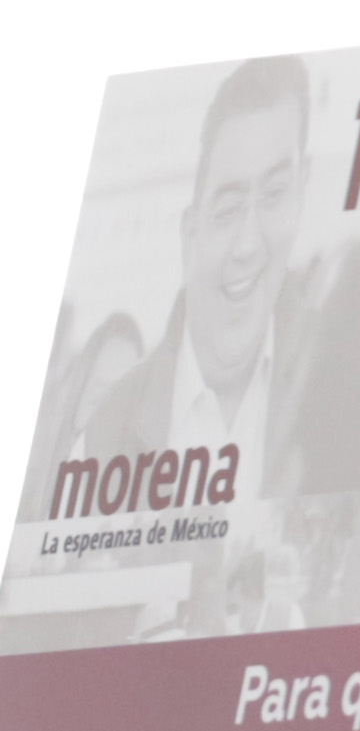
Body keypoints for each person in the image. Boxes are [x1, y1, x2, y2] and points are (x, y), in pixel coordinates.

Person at [79, 58, 307, 503]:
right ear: (190, 236)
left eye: (275, 195)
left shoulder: (340, 366)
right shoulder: (110, 423)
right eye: (227, 210)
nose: (247, 245)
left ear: (301, 196)